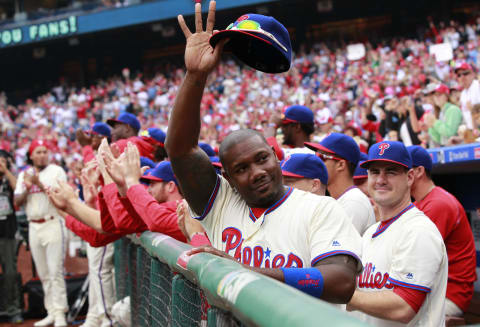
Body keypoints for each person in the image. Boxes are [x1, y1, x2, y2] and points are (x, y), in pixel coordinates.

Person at [165, 1, 362, 304]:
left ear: (275, 156)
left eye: (261, 159)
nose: (256, 172)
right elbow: (180, 151)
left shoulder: (319, 208)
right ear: (227, 177)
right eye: (241, 169)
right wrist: (195, 75)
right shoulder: (221, 203)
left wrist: (247, 271)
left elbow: (342, 281)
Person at [347, 141, 448, 326]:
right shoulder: (370, 232)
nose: (380, 179)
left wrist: (343, 296)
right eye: (374, 172)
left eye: (391, 172)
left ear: (410, 177)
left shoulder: (419, 230)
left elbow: (403, 306)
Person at [408, 145, 477, 317]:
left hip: (450, 295)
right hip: (435, 291)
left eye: (399, 171)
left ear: (418, 172)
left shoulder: (438, 203)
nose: (393, 178)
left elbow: (415, 258)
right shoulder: (419, 203)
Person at [14, 140, 69, 327]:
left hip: (52, 221)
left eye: (45, 151)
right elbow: (17, 202)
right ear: (31, 155)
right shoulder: (24, 175)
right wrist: (28, 186)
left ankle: (61, 313)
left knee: (55, 271)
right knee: (44, 273)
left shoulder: (56, 171)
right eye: (38, 152)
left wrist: (39, 183)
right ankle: (51, 311)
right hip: (34, 225)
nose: (42, 154)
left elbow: (62, 198)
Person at [306, 133, 375, 235]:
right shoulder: (340, 199)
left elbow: (333, 248)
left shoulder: (353, 202)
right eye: (316, 156)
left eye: (322, 157)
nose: (317, 163)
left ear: (341, 165)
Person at [0, 150, 23, 324]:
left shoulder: (10, 178)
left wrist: (6, 171)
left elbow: (19, 192)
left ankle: (13, 308)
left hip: (7, 231)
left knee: (10, 272)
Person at [456, 62, 480, 130]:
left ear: (472, 74)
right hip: (473, 132)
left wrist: (473, 110)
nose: (462, 77)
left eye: (465, 73)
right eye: (459, 75)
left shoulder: (478, 86)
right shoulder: (463, 94)